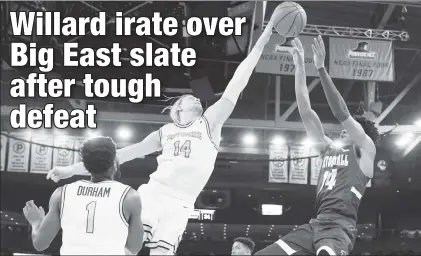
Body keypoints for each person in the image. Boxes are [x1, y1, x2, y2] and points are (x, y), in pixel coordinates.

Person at [46, 14, 280, 255]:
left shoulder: (210, 122)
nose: (196, 98)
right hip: (154, 194)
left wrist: (263, 37)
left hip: (182, 204)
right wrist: (68, 171)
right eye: (190, 98)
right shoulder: (164, 133)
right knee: (129, 248)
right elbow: (115, 157)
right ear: (179, 108)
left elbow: (240, 79)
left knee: (163, 252)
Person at [255, 36, 379, 256]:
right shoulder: (327, 149)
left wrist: (321, 68)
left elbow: (341, 112)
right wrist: (300, 65)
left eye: (350, 127)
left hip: (340, 227)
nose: (343, 129)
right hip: (315, 224)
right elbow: (305, 111)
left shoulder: (364, 149)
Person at [24, 137, 144, 255]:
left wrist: (36, 222)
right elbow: (134, 248)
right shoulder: (130, 196)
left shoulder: (61, 194)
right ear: (114, 163)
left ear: (85, 167)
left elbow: (40, 244)